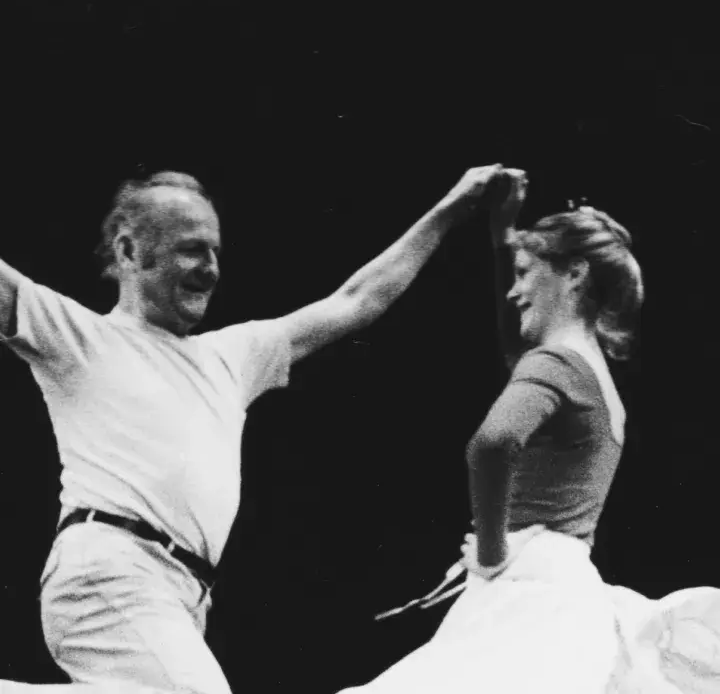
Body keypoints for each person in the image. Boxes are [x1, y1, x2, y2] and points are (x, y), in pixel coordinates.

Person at [0, 164, 507, 694]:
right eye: (191, 249)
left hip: (181, 595)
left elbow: (358, 301)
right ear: (129, 252)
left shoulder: (232, 356)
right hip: (111, 571)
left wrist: (452, 208)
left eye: (215, 252)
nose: (211, 269)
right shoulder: (80, 337)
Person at [338, 171, 720, 693]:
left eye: (524, 274)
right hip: (563, 582)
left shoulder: (555, 364)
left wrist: (491, 550)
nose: (514, 291)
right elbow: (517, 349)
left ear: (575, 274)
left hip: (525, 582)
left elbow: (492, 443)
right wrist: (503, 232)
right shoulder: (588, 371)